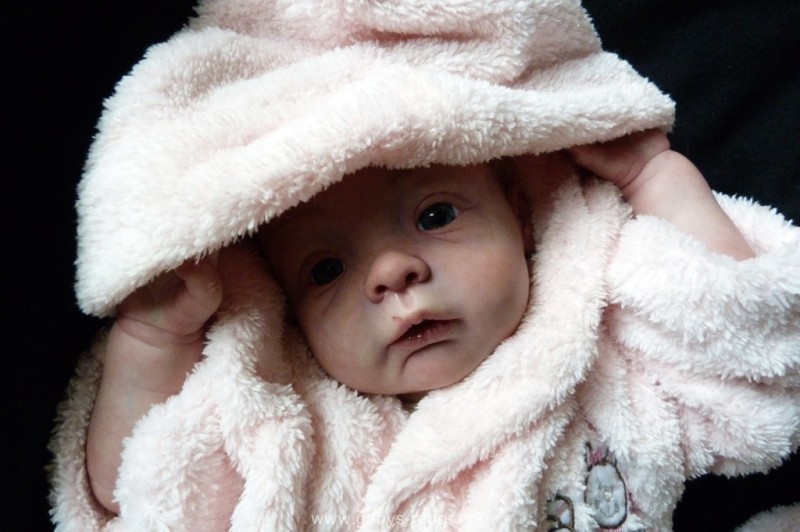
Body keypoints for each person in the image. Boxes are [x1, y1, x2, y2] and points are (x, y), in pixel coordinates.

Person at [49, 0, 800, 530]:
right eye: (325, 270)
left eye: (436, 216)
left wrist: (653, 178)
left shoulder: (605, 346)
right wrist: (156, 341)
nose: (391, 273)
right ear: (280, 299)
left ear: (520, 211)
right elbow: (144, 495)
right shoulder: (289, 422)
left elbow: (751, 347)